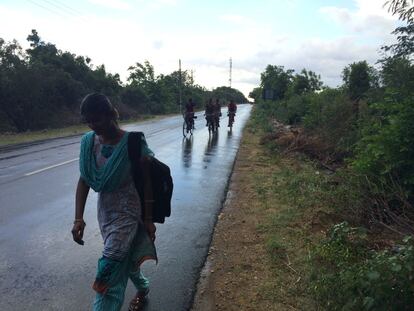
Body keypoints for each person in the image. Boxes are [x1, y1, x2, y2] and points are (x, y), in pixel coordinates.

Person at [71, 93, 157, 311]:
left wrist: (148, 219)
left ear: (111, 115)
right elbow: (85, 179)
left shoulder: (133, 143)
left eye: (97, 119)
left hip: (128, 213)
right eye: (87, 120)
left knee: (109, 267)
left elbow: (147, 183)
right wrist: (78, 218)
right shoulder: (89, 142)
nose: (92, 125)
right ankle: (143, 287)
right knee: (123, 260)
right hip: (106, 214)